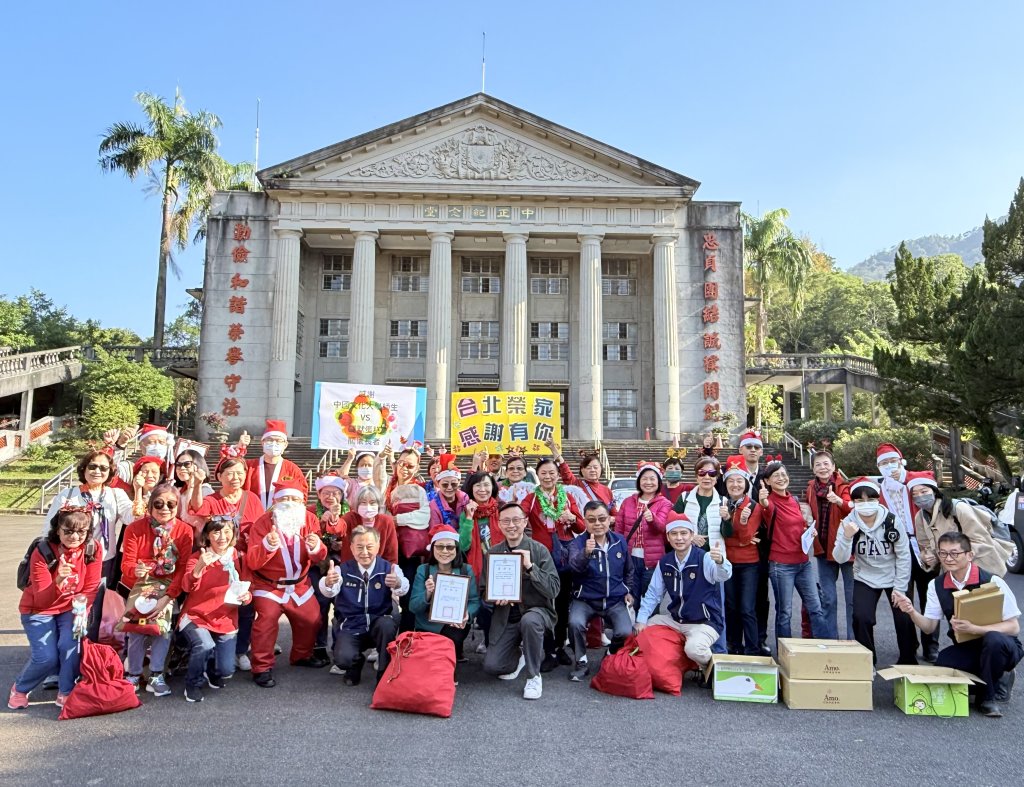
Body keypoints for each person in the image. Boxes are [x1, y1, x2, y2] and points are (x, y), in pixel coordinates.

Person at [894, 531, 1023, 717]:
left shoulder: (993, 581)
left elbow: (1013, 627)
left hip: (1003, 645)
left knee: (993, 640)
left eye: (955, 553)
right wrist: (911, 612)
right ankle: (993, 679)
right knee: (943, 665)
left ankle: (988, 697)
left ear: (969, 555)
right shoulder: (936, 585)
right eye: (943, 553)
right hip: (969, 646)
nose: (948, 558)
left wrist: (976, 629)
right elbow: (929, 627)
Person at [9, 506, 104, 710]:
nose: (75, 536)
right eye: (68, 531)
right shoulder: (43, 551)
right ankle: (20, 689)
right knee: (46, 657)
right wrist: (59, 580)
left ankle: (66, 691)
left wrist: (82, 612)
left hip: (71, 607)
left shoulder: (93, 548)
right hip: (38, 609)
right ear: (58, 530)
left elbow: (90, 587)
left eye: (81, 531)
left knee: (70, 646)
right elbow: (42, 598)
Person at [246, 479, 329, 688]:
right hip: (269, 585)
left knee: (311, 618)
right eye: (284, 499)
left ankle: (301, 655)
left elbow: (320, 557)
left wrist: (316, 547)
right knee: (266, 621)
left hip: (299, 583)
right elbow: (252, 561)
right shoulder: (262, 523)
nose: (290, 503)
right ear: (275, 502)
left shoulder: (309, 519)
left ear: (302, 501)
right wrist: (267, 545)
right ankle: (261, 666)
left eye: (294, 499)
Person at [187, 455, 265, 671]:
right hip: (217, 560)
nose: (235, 477)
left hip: (243, 560)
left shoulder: (252, 499)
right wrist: (196, 484)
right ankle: (215, 648)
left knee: (246, 605)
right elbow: (196, 507)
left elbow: (259, 527)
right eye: (229, 473)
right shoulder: (213, 499)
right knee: (219, 603)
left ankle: (241, 650)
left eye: (240, 472)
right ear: (219, 476)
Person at [831, 477, 917, 665]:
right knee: (861, 617)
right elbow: (840, 558)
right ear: (853, 503)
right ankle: (867, 660)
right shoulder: (848, 523)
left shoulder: (892, 521)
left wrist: (900, 587)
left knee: (904, 617)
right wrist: (846, 537)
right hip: (866, 576)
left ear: (878, 500)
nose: (865, 504)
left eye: (870, 499)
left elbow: (903, 555)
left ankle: (908, 659)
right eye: (859, 500)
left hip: (894, 575)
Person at [120, 482, 195, 696]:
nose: (165, 509)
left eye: (171, 504)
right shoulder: (135, 528)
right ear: (151, 504)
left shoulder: (184, 530)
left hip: (169, 587)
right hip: (141, 586)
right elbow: (126, 564)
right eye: (159, 503)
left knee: (163, 631)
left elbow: (183, 567)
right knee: (136, 631)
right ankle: (133, 674)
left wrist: (169, 596)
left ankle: (156, 673)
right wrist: (136, 569)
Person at [482, 503, 561, 700]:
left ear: (525, 522)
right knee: (493, 666)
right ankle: (520, 654)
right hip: (507, 617)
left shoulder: (539, 550)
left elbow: (553, 589)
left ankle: (534, 676)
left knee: (530, 621)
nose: (511, 525)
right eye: (506, 521)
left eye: (516, 520)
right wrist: (494, 598)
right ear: (499, 524)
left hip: (536, 612)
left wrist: (531, 567)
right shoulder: (493, 553)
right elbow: (484, 590)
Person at [635, 512, 732, 669]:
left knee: (694, 650)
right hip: (676, 620)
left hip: (705, 622)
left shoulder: (704, 558)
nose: (679, 538)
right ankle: (683, 662)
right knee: (647, 628)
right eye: (674, 534)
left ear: (692, 535)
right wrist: (641, 620)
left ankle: (712, 670)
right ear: (668, 537)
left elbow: (723, 575)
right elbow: (653, 594)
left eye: (683, 533)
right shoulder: (665, 562)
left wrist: (721, 561)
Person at [751, 461, 829, 647]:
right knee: (785, 612)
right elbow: (765, 507)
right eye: (775, 475)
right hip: (781, 565)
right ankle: (786, 654)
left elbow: (798, 527)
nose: (781, 478)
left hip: (803, 562)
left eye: (783, 474)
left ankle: (825, 650)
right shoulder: (768, 503)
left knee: (816, 608)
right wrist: (762, 499)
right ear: (767, 481)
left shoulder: (794, 500)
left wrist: (809, 532)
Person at [319, 526, 408, 685]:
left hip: (377, 624)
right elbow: (329, 591)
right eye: (359, 547)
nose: (364, 552)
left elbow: (403, 589)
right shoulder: (342, 570)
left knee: (387, 624)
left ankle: (384, 671)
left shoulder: (389, 568)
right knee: (342, 659)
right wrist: (327, 582)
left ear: (378, 546)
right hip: (352, 625)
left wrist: (398, 583)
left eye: (369, 547)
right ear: (352, 548)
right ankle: (355, 663)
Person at [179, 516, 252, 703]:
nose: (222, 537)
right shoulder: (199, 557)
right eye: (216, 532)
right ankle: (192, 683)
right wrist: (199, 567)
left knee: (226, 671)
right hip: (197, 615)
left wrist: (246, 597)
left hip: (225, 618)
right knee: (205, 645)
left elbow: (247, 588)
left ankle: (212, 670)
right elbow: (186, 586)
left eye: (227, 531)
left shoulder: (239, 557)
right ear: (208, 536)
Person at [521, 458, 586, 671]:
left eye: (552, 473)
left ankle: (560, 646)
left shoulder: (566, 497)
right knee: (543, 601)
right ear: (537, 476)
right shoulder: (531, 498)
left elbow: (581, 527)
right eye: (543, 473)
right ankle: (547, 650)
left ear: (558, 475)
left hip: (565, 556)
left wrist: (572, 518)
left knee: (562, 602)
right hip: (541, 556)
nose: (548, 477)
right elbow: (519, 517)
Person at [875, 442, 937, 661]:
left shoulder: (914, 480)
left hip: (923, 546)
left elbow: (930, 480)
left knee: (930, 596)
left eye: (892, 461)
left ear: (901, 461)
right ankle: (909, 645)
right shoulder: (880, 490)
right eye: (884, 463)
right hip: (898, 550)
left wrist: (905, 476)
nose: (889, 466)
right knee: (902, 599)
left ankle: (931, 644)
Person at [566, 501, 634, 681]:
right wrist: (585, 554)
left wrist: (628, 590)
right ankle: (581, 662)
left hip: (614, 599)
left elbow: (629, 570)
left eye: (602, 519)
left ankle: (611, 653)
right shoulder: (578, 543)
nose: (597, 523)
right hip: (586, 599)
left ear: (609, 519)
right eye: (592, 520)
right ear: (585, 522)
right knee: (575, 623)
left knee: (626, 632)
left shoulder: (619, 541)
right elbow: (573, 567)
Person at [909, 474, 1013, 578]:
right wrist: (929, 556)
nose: (920, 496)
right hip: (952, 572)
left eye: (924, 492)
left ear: (935, 491)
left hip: (981, 567)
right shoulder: (920, 517)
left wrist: (953, 554)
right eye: (915, 494)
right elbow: (925, 545)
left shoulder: (958, 509)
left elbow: (981, 541)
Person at [409, 525, 481, 664]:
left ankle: (448, 669)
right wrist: (428, 593)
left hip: (455, 624)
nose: (445, 551)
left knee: (450, 639)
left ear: (456, 549)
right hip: (427, 625)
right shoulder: (423, 570)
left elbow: (474, 601)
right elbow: (413, 607)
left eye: (450, 547)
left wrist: (467, 614)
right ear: (433, 548)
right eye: (440, 547)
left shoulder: (466, 570)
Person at [804, 450, 854, 640]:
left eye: (826, 464)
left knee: (851, 600)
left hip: (845, 549)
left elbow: (852, 508)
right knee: (828, 599)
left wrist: (839, 501)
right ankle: (830, 640)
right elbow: (809, 511)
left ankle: (853, 641)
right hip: (823, 549)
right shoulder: (810, 488)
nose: (822, 468)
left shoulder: (844, 486)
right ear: (813, 469)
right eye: (818, 464)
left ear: (833, 467)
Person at [383, 447, 430, 631]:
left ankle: (406, 636)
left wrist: (398, 519)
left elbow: (424, 516)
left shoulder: (419, 490)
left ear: (417, 468)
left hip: (409, 550)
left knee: (408, 595)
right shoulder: (389, 488)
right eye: (401, 463)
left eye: (410, 465)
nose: (405, 468)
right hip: (388, 548)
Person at [615, 463, 671, 612]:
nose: (648, 482)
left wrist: (652, 518)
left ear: (658, 482)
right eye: (644, 478)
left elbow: (663, 528)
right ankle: (633, 632)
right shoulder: (628, 502)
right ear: (639, 481)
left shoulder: (664, 503)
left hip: (652, 562)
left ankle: (650, 633)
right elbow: (619, 529)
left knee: (651, 600)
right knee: (632, 599)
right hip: (630, 559)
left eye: (652, 479)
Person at [309, 473, 349, 663]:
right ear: (318, 494)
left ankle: (340, 645)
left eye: (335, 493)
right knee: (320, 604)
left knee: (341, 605)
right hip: (317, 565)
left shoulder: (350, 512)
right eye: (326, 492)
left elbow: (350, 534)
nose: (330, 496)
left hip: (343, 564)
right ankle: (319, 645)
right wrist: (322, 523)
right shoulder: (310, 512)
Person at [720, 467, 760, 655]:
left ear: (745, 485)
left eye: (739, 481)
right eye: (730, 481)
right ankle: (734, 645)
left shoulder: (752, 506)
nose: (735, 485)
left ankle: (753, 648)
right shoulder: (722, 504)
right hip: (727, 561)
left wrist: (743, 523)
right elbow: (722, 535)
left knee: (747, 608)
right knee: (731, 606)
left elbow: (746, 538)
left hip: (749, 563)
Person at [243, 419, 308, 511]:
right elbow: (228, 469)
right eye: (269, 440)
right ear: (262, 442)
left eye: (278, 441)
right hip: (251, 516)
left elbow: (302, 495)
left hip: (280, 518)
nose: (274, 444)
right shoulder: (249, 466)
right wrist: (239, 448)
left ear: (285, 444)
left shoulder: (292, 469)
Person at [547, 437, 614, 513]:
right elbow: (565, 469)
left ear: (601, 469)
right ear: (582, 470)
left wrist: (610, 518)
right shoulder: (576, 485)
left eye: (595, 467)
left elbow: (614, 513)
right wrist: (553, 449)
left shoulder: (607, 491)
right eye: (588, 467)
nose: (592, 470)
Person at [339, 486, 398, 564]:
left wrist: (390, 570)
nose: (368, 506)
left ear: (379, 504)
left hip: (378, 570)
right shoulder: (349, 518)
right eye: (363, 502)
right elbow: (337, 528)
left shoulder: (386, 521)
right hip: (351, 568)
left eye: (372, 502)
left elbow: (391, 551)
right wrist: (333, 519)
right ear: (357, 504)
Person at [174, 447, 213, 537]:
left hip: (199, 538)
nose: (182, 468)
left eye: (187, 464)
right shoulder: (180, 490)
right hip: (181, 537)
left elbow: (191, 512)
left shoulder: (205, 490)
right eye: (178, 465)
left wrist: (193, 484)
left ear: (198, 465)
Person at [429, 461, 469, 528]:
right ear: (438, 484)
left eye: (454, 484)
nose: (449, 488)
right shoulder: (434, 505)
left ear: (459, 482)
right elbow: (435, 531)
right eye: (445, 485)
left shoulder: (465, 498)